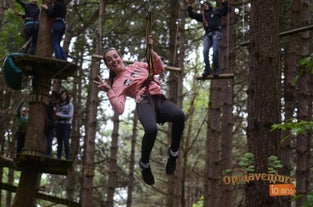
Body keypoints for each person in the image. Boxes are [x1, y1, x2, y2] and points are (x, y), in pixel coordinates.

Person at [94, 37, 185, 185]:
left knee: (179, 116)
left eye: (115, 56)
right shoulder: (117, 84)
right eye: (109, 60)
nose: (114, 60)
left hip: (159, 99)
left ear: (120, 57)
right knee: (151, 130)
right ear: (108, 65)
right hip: (144, 102)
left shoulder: (137, 65)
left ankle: (173, 153)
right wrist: (109, 91)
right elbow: (120, 109)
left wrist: (150, 52)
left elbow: (159, 68)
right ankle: (144, 163)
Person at [188, 0, 230, 77]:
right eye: (204, 5)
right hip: (207, 34)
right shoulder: (203, 16)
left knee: (215, 50)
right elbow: (192, 15)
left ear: (210, 5)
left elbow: (226, 10)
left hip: (216, 33)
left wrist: (224, 2)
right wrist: (190, 5)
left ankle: (216, 71)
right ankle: (207, 70)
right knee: (205, 51)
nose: (205, 6)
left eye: (206, 4)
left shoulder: (216, 11)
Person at [55, 90, 74, 159]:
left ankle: (67, 158)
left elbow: (70, 116)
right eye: (62, 94)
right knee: (59, 143)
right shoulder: (57, 104)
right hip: (58, 125)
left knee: (66, 142)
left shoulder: (70, 105)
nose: (63, 96)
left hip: (66, 125)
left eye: (65, 95)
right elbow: (55, 114)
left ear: (67, 96)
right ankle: (58, 158)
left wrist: (60, 115)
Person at [44, 91, 58, 157]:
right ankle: (44, 154)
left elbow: (55, 118)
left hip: (51, 127)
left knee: (49, 143)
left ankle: (48, 155)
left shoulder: (55, 107)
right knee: (44, 141)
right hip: (45, 126)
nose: (54, 100)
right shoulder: (47, 105)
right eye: (53, 98)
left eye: (56, 99)